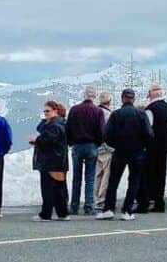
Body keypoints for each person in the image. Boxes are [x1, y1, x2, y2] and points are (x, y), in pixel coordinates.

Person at [97, 88, 152, 221]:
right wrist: (142, 145)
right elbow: (149, 134)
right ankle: (127, 211)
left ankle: (109, 209)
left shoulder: (116, 114)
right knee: (134, 182)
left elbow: (106, 135)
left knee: (113, 181)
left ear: (122, 98)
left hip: (120, 151)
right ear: (133, 99)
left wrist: (115, 145)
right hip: (137, 152)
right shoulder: (141, 114)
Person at [65, 86, 105, 215]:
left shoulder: (74, 110)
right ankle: (88, 206)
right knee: (90, 177)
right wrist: (97, 144)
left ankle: (74, 206)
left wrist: (71, 143)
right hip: (91, 146)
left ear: (84, 95)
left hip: (77, 146)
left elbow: (68, 128)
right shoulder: (98, 111)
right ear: (94, 97)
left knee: (76, 178)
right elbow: (101, 131)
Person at [30, 101, 69, 221]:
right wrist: (46, 120)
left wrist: (36, 140)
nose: (45, 113)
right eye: (45, 111)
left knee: (48, 188)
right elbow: (41, 128)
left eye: (48, 111)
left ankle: (46, 213)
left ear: (55, 111)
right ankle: (62, 213)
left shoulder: (55, 126)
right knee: (58, 188)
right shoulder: (55, 123)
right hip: (56, 161)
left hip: (51, 161)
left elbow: (48, 140)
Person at [138, 83, 167, 213]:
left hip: (152, 146)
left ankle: (150, 199)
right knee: (161, 172)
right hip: (164, 145)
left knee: (150, 173)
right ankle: (159, 201)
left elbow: (148, 128)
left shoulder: (151, 108)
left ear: (151, 93)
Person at [93, 91, 114, 211]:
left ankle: (95, 197)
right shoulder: (108, 114)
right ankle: (101, 199)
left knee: (97, 174)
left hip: (96, 146)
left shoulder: (95, 111)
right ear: (109, 101)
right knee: (106, 174)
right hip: (106, 147)